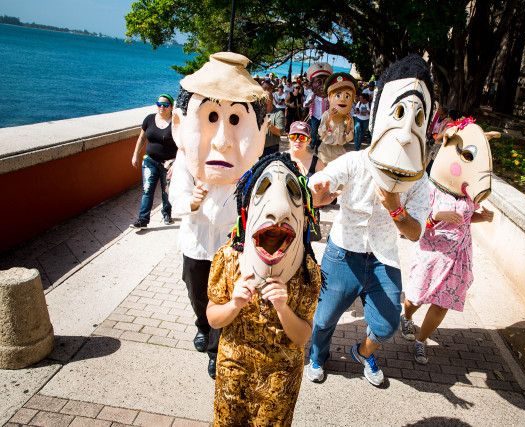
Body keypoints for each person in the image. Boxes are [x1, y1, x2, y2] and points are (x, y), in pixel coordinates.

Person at [306, 55, 434, 386]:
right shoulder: (355, 161)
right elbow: (321, 188)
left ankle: (363, 352)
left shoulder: (420, 181)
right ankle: (318, 355)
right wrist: (319, 192)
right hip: (342, 252)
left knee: (388, 323)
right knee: (322, 321)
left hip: (383, 257)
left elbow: (415, 232)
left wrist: (395, 209)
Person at [169, 51, 268, 379]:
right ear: (180, 127)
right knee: (197, 293)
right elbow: (175, 200)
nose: (224, 140)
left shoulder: (253, 170)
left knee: (224, 297)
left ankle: (215, 348)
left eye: (236, 120)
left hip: (231, 249)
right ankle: (201, 324)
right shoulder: (185, 162)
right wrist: (192, 202)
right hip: (196, 244)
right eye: (211, 117)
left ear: (261, 132)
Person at [206, 153, 322, 426]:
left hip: (280, 377)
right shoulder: (228, 259)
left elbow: (302, 336)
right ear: (246, 211)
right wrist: (234, 304)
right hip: (233, 370)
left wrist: (283, 308)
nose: (277, 219)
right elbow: (213, 318)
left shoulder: (307, 272)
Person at [400, 120, 496, 366]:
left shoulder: (467, 191)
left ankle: (421, 341)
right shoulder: (429, 188)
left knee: (442, 304)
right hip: (430, 252)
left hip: (458, 255)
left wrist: (481, 217)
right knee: (415, 297)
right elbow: (415, 225)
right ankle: (407, 316)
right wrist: (436, 216)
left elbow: (464, 218)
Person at [130, 94, 178, 228]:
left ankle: (166, 213)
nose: (162, 107)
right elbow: (141, 138)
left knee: (166, 191)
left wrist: (176, 162)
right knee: (147, 190)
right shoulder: (149, 119)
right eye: (159, 104)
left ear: (171, 106)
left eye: (165, 104)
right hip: (150, 161)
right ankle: (143, 219)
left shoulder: (175, 123)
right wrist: (135, 155)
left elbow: (181, 144)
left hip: (168, 163)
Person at [317, 72, 357, 165]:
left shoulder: (348, 117)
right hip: (325, 151)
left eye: (347, 96)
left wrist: (348, 124)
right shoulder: (326, 114)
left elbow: (348, 138)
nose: (343, 99)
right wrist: (329, 118)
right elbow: (321, 133)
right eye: (338, 95)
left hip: (339, 152)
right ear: (330, 98)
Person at [303, 62, 333, 153]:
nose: (323, 86)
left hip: (325, 118)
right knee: (314, 132)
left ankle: (318, 148)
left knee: (323, 133)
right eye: (319, 82)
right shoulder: (312, 95)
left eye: (326, 82)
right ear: (312, 86)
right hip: (315, 116)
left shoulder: (330, 96)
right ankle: (313, 143)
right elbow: (305, 104)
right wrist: (312, 100)